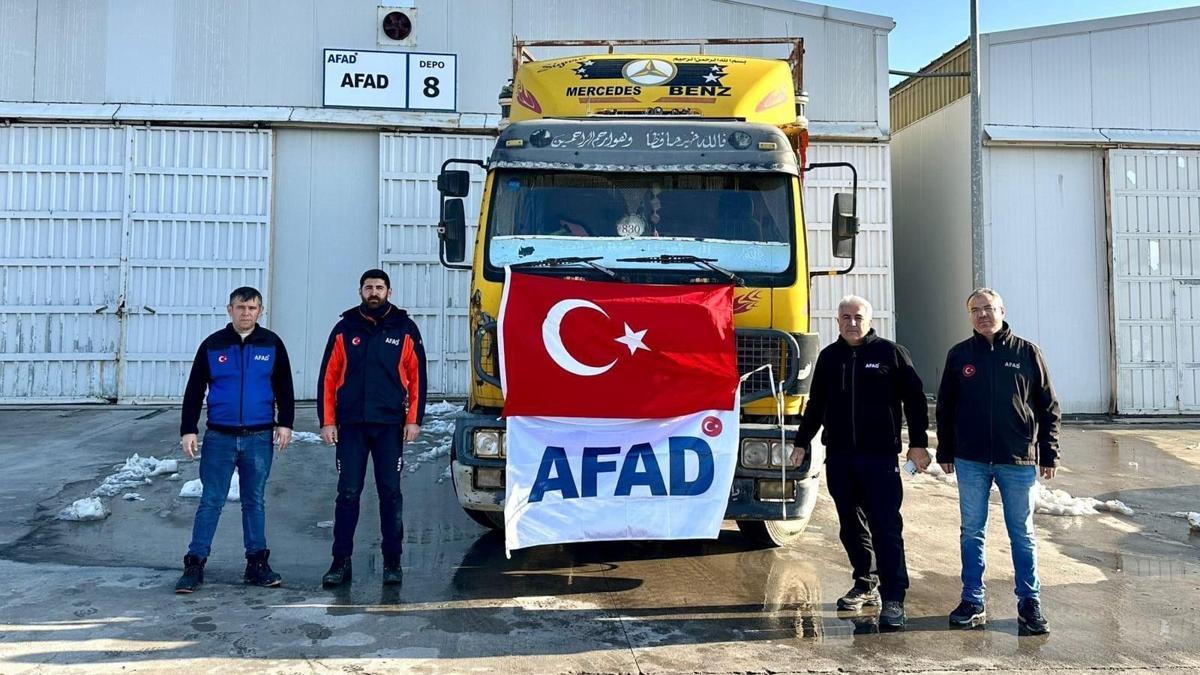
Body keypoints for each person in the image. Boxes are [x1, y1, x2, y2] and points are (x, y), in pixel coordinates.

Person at [792, 295, 928, 631]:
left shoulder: (891, 354)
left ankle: (894, 597)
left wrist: (919, 444)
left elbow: (914, 401)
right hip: (840, 457)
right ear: (837, 321)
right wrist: (801, 441)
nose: (852, 323)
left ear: (869, 319)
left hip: (880, 457)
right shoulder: (829, 358)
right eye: (846, 317)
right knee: (850, 527)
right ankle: (865, 583)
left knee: (886, 527)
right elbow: (816, 405)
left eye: (858, 317)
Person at [936, 288, 1061, 635]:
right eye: (975, 310)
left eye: (988, 308)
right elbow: (945, 408)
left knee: (1022, 534)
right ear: (970, 316)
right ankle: (972, 599)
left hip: (1016, 460)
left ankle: (1029, 603)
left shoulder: (1026, 352)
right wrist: (945, 450)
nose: (982, 315)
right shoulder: (960, 355)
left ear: (1002, 310)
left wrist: (1048, 452)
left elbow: (1049, 407)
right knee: (971, 532)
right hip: (971, 460)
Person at [175, 287, 294, 594]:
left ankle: (257, 563)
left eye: (252, 308)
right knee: (211, 501)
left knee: (254, 501)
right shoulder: (213, 346)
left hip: (258, 436)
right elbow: (194, 390)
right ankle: (195, 564)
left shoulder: (271, 344)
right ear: (229, 309)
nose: (246, 313)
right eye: (241, 307)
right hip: (220, 437)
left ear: (260, 311)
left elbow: (284, 386)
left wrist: (285, 424)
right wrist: (189, 428)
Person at [317, 268, 427, 587]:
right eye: (368, 288)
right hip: (351, 426)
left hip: (389, 426)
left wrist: (414, 420)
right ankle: (341, 562)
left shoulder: (405, 329)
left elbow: (418, 376)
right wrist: (327, 421)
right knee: (348, 493)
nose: (374, 292)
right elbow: (328, 377)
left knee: (390, 493)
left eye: (379, 287)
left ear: (389, 292)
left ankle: (393, 562)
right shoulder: (344, 328)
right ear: (360, 291)